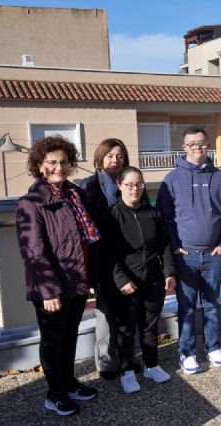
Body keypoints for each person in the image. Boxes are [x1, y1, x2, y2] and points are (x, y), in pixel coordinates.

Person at [16, 136, 99, 417]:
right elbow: (33, 251)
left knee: (69, 336)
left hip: (76, 280)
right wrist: (48, 290)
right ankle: (55, 394)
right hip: (52, 287)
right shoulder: (31, 203)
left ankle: (68, 383)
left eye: (63, 162)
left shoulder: (75, 196)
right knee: (53, 341)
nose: (58, 167)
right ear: (40, 165)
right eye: (52, 162)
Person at [156, 126, 221, 373]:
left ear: (208, 145)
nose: (197, 147)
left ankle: (213, 347)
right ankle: (187, 353)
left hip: (213, 254)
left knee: (211, 304)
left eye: (201, 143)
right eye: (192, 144)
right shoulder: (172, 179)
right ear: (184, 148)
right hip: (186, 256)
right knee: (187, 306)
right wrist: (175, 246)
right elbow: (164, 217)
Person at [109, 167, 176, 393]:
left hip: (153, 280)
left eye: (138, 184)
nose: (134, 188)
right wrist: (120, 279)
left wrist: (169, 272)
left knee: (149, 326)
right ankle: (127, 371)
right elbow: (108, 254)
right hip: (127, 283)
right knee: (126, 329)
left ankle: (152, 365)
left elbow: (165, 245)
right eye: (129, 184)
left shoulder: (153, 214)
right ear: (119, 186)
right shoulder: (113, 215)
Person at [79, 138, 129, 379]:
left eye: (119, 156)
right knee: (105, 313)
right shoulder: (88, 186)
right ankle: (107, 364)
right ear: (100, 158)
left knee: (128, 312)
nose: (115, 160)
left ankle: (127, 359)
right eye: (110, 155)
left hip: (128, 255)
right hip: (102, 258)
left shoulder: (129, 182)